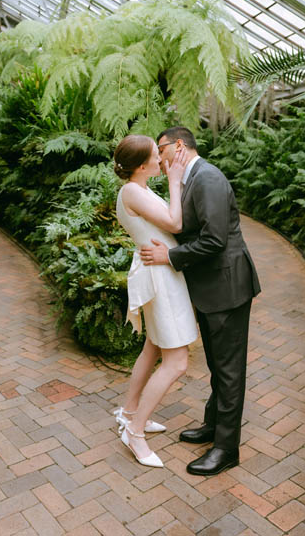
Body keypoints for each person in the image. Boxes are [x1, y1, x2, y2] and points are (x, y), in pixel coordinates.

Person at [140, 126, 261, 476]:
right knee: (218, 366)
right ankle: (213, 426)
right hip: (211, 290)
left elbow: (214, 240)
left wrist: (171, 257)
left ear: (178, 146)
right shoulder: (190, 177)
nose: (159, 161)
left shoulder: (207, 178)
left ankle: (226, 449)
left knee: (229, 370)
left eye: (160, 151)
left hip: (227, 288)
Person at [112, 134, 198, 468]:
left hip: (162, 272)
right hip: (160, 278)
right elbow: (174, 223)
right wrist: (176, 182)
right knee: (177, 362)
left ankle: (131, 411)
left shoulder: (140, 189)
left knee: (153, 347)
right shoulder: (133, 190)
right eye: (155, 154)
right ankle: (134, 433)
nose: (162, 159)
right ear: (141, 165)